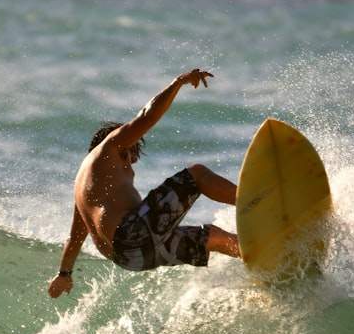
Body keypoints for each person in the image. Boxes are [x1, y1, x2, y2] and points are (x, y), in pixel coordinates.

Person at [48, 69, 240, 298]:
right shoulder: (109, 148)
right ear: (121, 141)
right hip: (133, 234)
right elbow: (147, 116)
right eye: (133, 151)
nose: (134, 160)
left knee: (213, 237)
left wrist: (64, 273)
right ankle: (252, 200)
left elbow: (76, 237)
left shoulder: (86, 187)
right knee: (196, 174)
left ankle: (264, 258)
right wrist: (179, 82)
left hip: (131, 259)